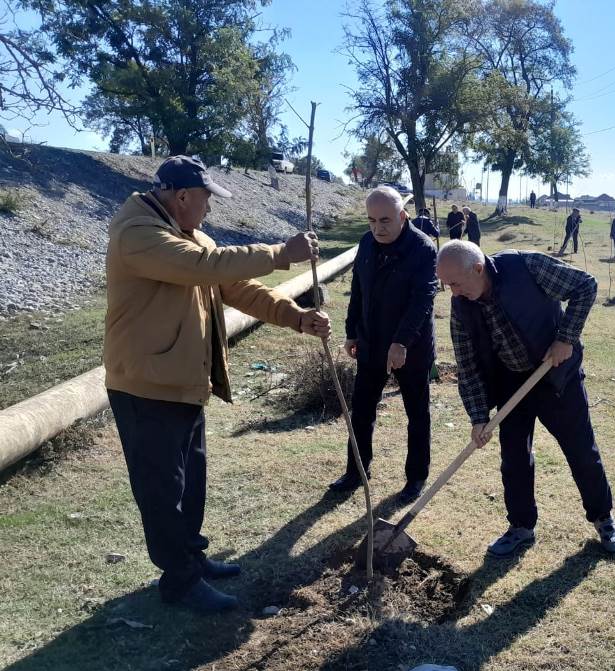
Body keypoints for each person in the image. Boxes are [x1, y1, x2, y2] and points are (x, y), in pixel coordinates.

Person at [104, 155, 328, 614]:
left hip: (184, 382)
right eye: (206, 198)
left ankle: (193, 558)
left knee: (191, 482)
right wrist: (281, 254)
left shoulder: (191, 235)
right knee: (163, 490)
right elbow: (204, 266)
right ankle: (179, 582)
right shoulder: (138, 235)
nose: (210, 209)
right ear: (182, 196)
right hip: (145, 386)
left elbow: (241, 289)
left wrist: (296, 317)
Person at [436, 241, 615, 557]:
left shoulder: (526, 268)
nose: (452, 292)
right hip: (509, 381)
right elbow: (467, 364)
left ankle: (603, 519)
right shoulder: (462, 306)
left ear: (478, 269)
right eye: (446, 285)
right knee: (514, 459)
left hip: (554, 375)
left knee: (581, 450)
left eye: (455, 283)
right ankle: (521, 526)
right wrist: (478, 415)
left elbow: (584, 286)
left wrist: (566, 339)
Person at [329, 187, 439, 502]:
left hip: (411, 348)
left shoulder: (423, 249)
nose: (378, 228)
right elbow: (358, 290)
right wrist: (351, 332)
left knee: (417, 414)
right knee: (361, 411)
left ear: (403, 216)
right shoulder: (366, 243)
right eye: (372, 220)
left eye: (386, 220)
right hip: (371, 343)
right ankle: (356, 472)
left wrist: (401, 342)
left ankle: (416, 478)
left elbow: (423, 300)